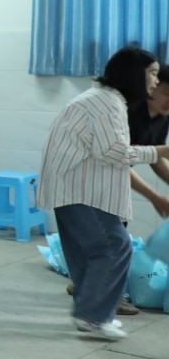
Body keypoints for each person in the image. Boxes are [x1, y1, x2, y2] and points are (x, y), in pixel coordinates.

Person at [38, 47, 169, 340]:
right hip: (80, 189)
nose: (155, 81)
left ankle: (91, 314)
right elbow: (113, 152)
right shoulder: (108, 103)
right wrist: (160, 151)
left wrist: (158, 154)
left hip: (73, 186)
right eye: (152, 74)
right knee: (115, 246)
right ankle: (92, 316)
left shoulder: (107, 99)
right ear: (134, 74)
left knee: (86, 253)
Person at [127, 78, 169, 219]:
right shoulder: (129, 112)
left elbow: (155, 156)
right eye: (167, 93)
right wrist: (155, 197)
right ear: (152, 87)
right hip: (91, 179)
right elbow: (117, 162)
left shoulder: (163, 116)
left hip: (114, 183)